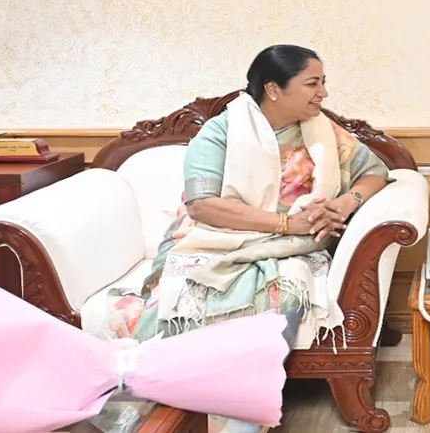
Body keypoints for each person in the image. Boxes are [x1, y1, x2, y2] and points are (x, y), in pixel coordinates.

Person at [105, 44, 391, 433]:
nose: (323, 92)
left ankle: (241, 420)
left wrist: (344, 204)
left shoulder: (323, 132)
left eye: (323, 82)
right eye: (312, 83)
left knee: (285, 294)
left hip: (296, 249)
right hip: (213, 238)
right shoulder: (220, 131)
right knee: (184, 294)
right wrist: (288, 224)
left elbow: (376, 171)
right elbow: (203, 206)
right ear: (274, 89)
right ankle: (159, 409)